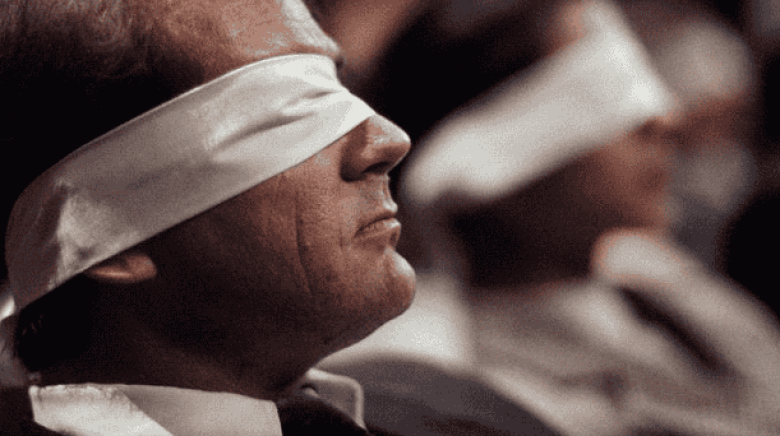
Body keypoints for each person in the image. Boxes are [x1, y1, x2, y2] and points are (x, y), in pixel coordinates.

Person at [324, 1, 780, 435]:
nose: (661, 118)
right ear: (494, 170)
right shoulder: (478, 396)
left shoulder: (656, 280)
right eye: (601, 94)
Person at [0, 0, 419, 434]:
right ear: (95, 229)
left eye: (334, 85)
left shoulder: (438, 401)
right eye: (288, 109)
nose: (389, 141)